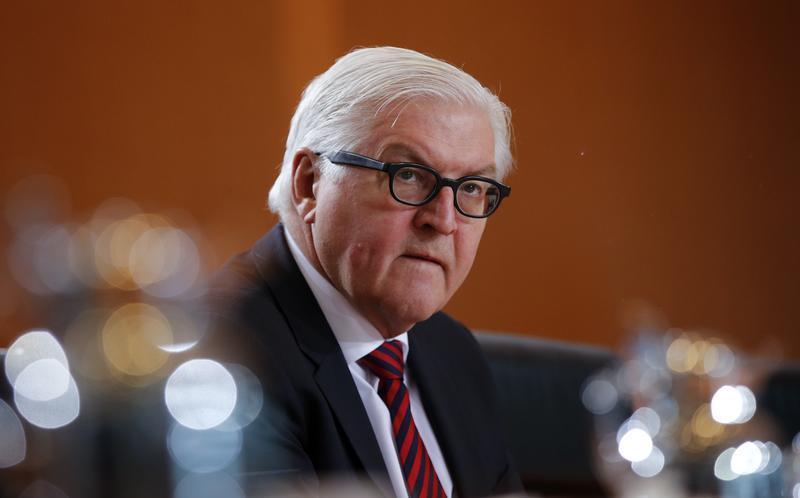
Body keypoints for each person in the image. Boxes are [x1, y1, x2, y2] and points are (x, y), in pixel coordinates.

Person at [207, 46, 522, 498]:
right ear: (309, 183)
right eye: (410, 175)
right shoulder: (227, 355)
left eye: (471, 187)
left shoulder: (453, 354)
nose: (444, 220)